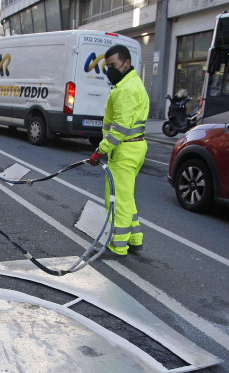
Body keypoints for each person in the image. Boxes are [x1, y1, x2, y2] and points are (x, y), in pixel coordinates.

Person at [89, 44, 149, 257]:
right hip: (134, 148)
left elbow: (120, 128)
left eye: (113, 65)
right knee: (127, 196)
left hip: (124, 150)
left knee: (117, 199)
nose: (109, 70)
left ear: (127, 63)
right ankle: (134, 239)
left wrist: (101, 150)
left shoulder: (126, 90)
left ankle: (118, 246)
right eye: (107, 66)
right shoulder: (132, 83)